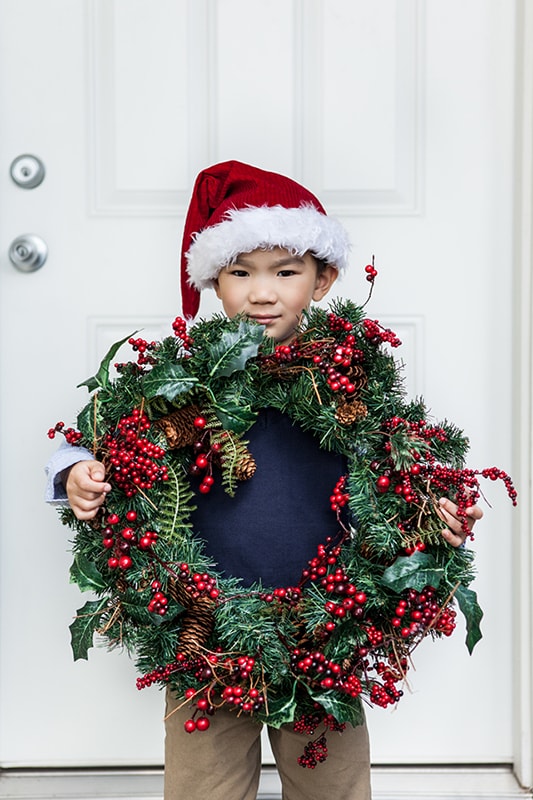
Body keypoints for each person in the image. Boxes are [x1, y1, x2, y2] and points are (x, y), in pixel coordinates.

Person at [46, 161, 482, 800]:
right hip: (208, 631)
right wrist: (76, 474)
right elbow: (94, 438)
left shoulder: (348, 385)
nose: (262, 293)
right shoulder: (179, 386)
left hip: (327, 628)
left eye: (285, 272)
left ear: (323, 278)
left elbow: (406, 470)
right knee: (204, 786)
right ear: (213, 282)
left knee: (333, 785)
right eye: (240, 272)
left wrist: (435, 510)